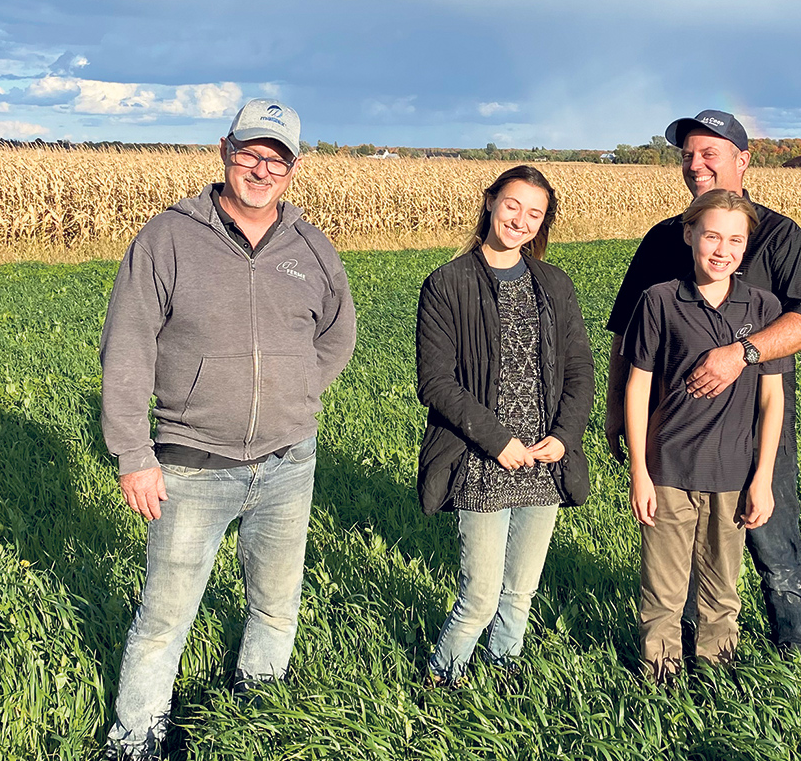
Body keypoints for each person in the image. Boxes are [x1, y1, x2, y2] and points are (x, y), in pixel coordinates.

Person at [99, 98, 356, 760]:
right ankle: (136, 737)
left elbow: (337, 334)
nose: (261, 169)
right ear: (224, 149)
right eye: (251, 152)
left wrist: (294, 393)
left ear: (294, 170)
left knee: (276, 602)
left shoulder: (310, 247)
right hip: (190, 464)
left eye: (277, 158)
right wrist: (133, 452)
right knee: (165, 615)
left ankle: (256, 707)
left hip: (288, 462)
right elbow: (128, 347)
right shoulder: (168, 238)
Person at [605, 109, 801, 658]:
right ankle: (674, 661)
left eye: (710, 153)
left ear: (742, 161)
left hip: (752, 431)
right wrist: (616, 412)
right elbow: (627, 333)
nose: (696, 164)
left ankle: (796, 653)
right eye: (688, 155)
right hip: (675, 434)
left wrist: (743, 353)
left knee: (773, 544)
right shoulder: (664, 239)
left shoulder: (778, 236)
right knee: (677, 556)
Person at [415, 165, 594, 686]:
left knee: (520, 593)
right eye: (513, 205)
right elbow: (436, 382)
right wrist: (498, 442)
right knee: (480, 596)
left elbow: (580, 369)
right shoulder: (447, 284)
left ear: (543, 223)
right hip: (480, 461)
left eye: (534, 213)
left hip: (543, 461)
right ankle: (441, 682)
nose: (520, 220)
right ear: (491, 201)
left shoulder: (554, 284)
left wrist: (563, 438)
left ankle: (502, 674)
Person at [624, 189, 786, 680]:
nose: (722, 250)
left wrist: (763, 478)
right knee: (664, 591)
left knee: (722, 592)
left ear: (747, 246)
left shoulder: (763, 306)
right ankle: (661, 678)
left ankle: (717, 676)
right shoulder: (660, 300)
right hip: (669, 468)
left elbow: (772, 399)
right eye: (712, 236)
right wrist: (640, 472)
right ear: (690, 235)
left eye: (735, 240)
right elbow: (637, 388)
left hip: (733, 472)